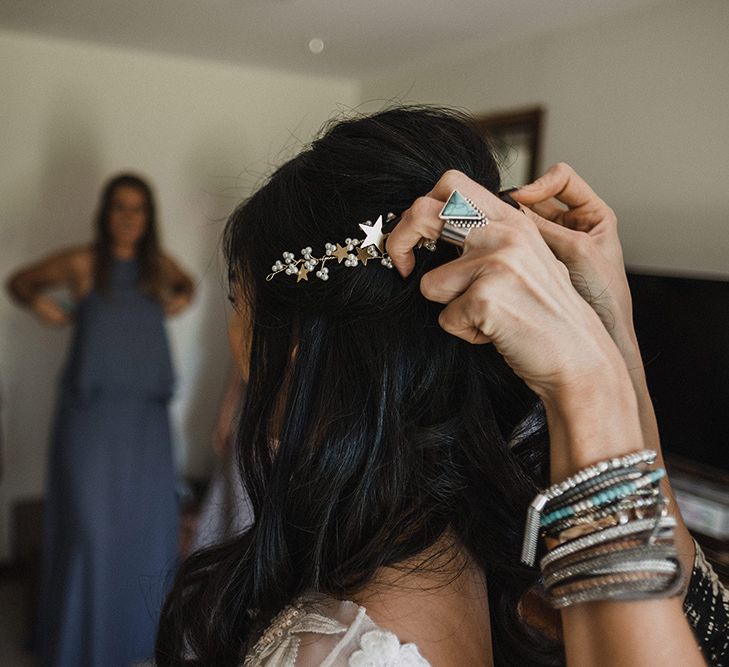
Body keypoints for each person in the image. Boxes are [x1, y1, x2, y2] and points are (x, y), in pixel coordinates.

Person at [156, 108, 727, 666]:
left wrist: (592, 378)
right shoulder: (503, 595)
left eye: (238, 302)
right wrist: (614, 342)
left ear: (301, 359)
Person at [7, 173, 195, 667]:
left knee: (149, 532)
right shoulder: (83, 263)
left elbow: (188, 284)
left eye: (138, 208)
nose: (128, 217)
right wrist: (41, 305)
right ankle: (79, 646)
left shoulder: (158, 268)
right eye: (119, 206)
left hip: (147, 425)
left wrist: (181, 299)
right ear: (105, 212)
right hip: (90, 422)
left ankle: (137, 643)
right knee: (89, 532)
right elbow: (19, 281)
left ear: (149, 217)